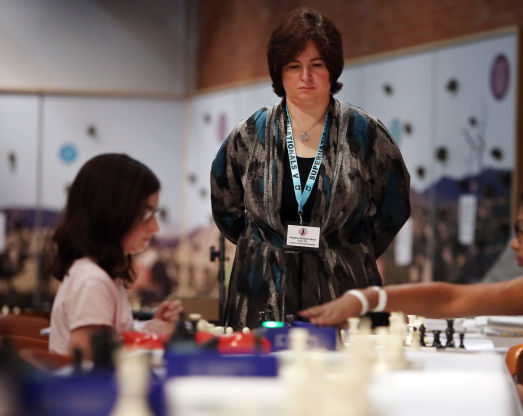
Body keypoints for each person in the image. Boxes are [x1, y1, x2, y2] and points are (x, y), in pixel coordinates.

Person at [300, 175, 523, 416]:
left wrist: (511, 395)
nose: (515, 242)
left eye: (522, 229)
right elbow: (454, 299)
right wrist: (366, 299)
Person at [210, 7, 410, 330]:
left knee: (346, 377)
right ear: (279, 73)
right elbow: (226, 207)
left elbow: (394, 206)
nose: (306, 77)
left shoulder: (366, 134)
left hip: (344, 287)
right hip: (262, 290)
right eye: (294, 66)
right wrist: (268, 244)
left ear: (332, 70)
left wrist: (347, 246)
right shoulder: (250, 134)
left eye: (316, 65)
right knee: (260, 379)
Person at [49, 153, 182, 358]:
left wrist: (148, 328)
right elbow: (91, 364)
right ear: (110, 215)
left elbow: (113, 340)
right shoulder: (93, 282)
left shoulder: (100, 274)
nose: (155, 227)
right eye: (147, 215)